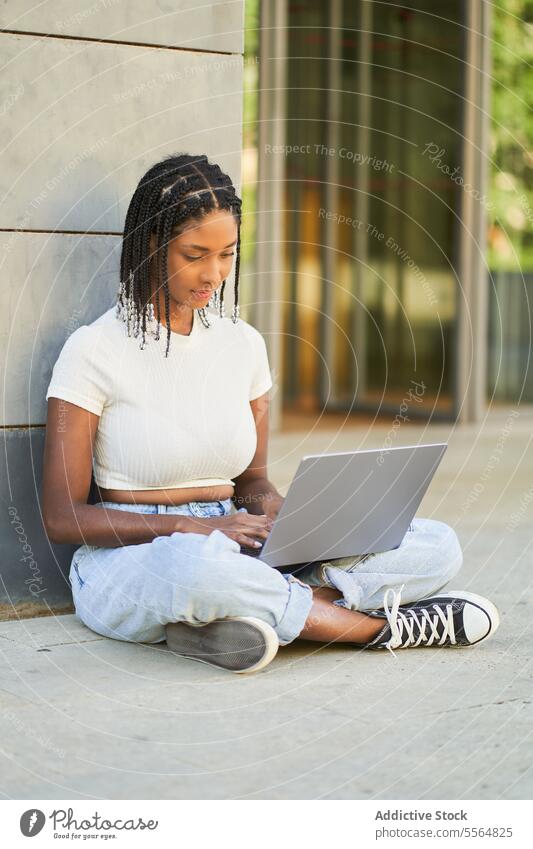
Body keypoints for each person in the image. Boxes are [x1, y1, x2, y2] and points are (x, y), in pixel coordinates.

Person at [42, 153, 500, 674]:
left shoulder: (243, 344)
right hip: (139, 558)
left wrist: (285, 513)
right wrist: (186, 529)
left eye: (227, 255)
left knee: (436, 544)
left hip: (241, 540)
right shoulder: (94, 350)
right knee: (193, 570)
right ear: (152, 243)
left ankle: (237, 619)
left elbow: (252, 481)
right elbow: (63, 518)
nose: (214, 274)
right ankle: (372, 629)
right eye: (195, 254)